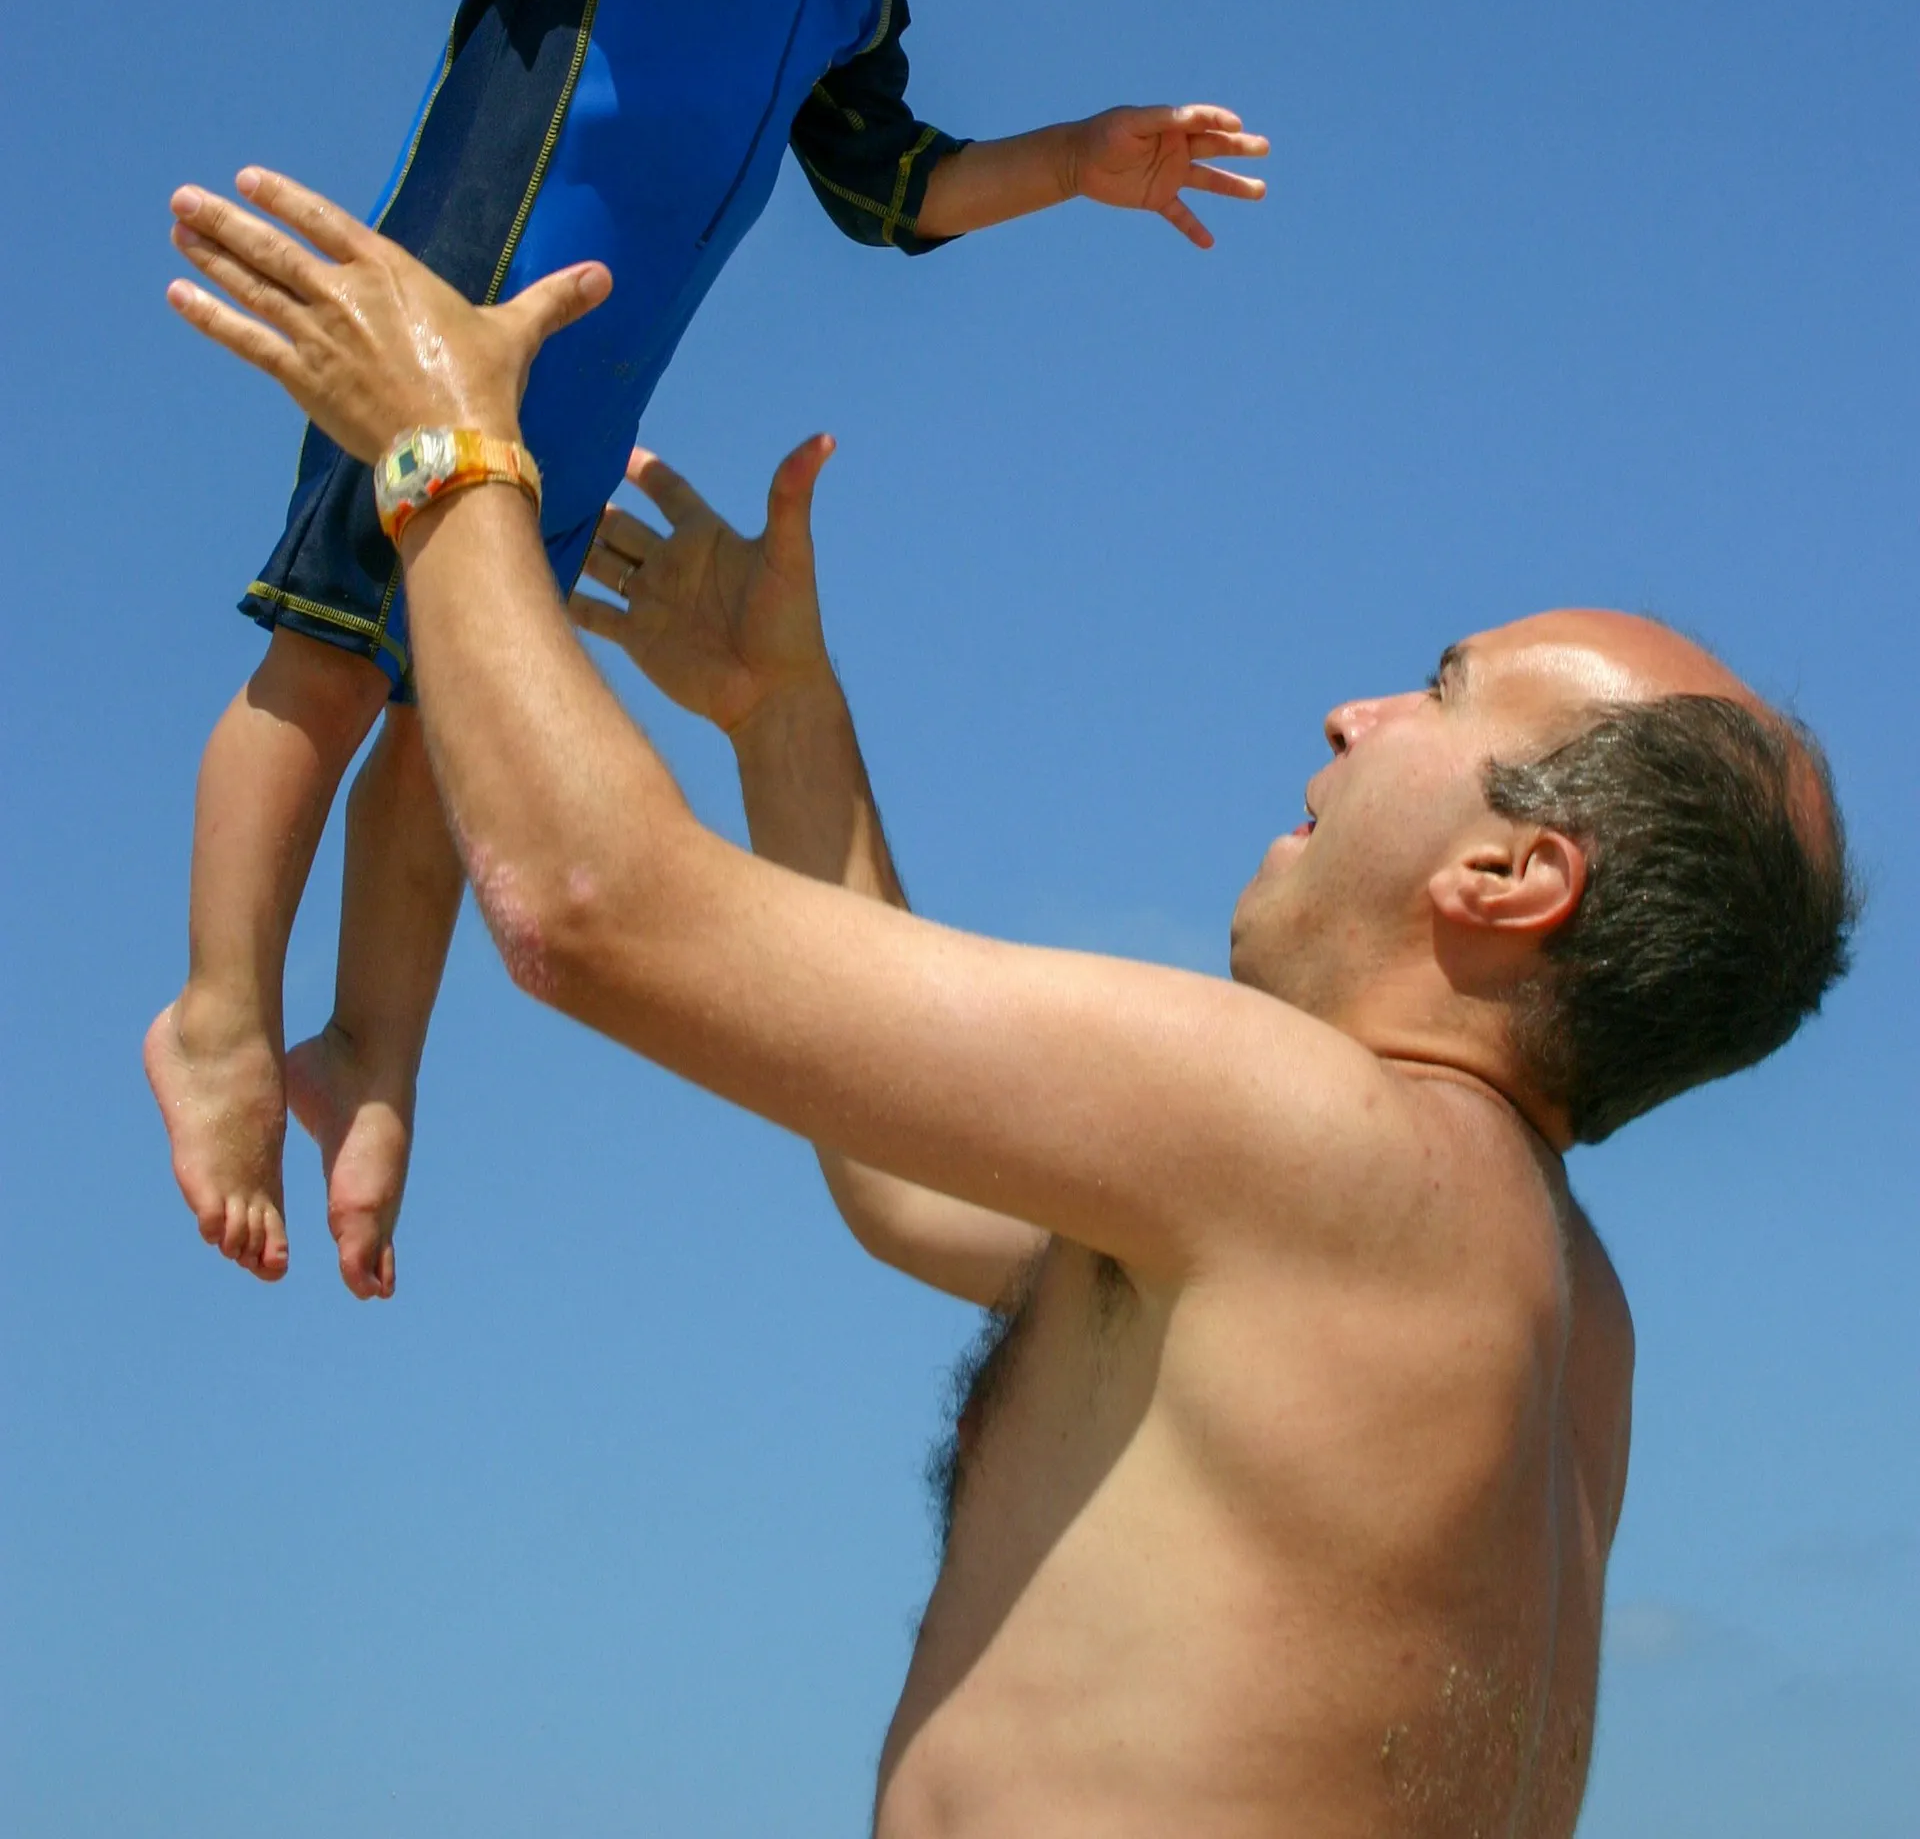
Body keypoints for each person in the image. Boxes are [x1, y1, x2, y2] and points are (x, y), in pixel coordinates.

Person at [162, 170, 1856, 1839]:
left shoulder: (1319, 1139)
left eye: (1436, 692)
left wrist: (444, 448)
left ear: (1510, 881)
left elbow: (592, 911)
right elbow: (911, 1181)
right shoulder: (1546, 1303)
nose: (1353, 716)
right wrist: (777, 716)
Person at [145, 0, 1270, 1300]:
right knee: (328, 664)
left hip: (567, 425)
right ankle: (214, 1010)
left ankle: (370, 1051)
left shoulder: (856, 0)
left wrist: (1080, 158)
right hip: (439, 341)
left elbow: (890, 192)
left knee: (461, 736)